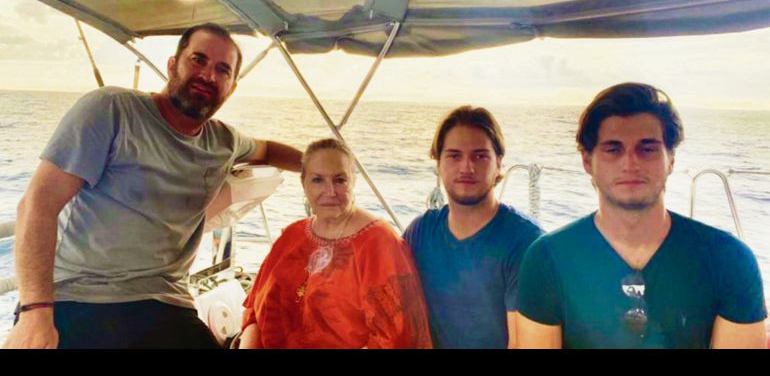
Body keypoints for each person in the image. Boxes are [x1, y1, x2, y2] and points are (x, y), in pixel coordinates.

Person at [3, 23, 303, 349]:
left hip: (165, 302)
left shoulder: (224, 141)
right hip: (78, 296)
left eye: (222, 70)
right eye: (198, 60)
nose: (207, 75)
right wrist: (35, 311)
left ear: (230, 87)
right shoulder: (111, 110)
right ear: (173, 65)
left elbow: (270, 150)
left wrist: (322, 173)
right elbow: (37, 206)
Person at [516, 82, 768, 349]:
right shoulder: (548, 258)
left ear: (671, 159)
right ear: (587, 162)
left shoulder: (729, 259)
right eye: (613, 149)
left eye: (647, 148)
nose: (630, 163)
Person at [240, 138, 431, 349]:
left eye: (339, 180)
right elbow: (253, 312)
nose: (330, 191)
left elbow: (398, 338)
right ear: (303, 183)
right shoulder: (292, 236)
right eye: (317, 180)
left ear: (353, 181)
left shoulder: (379, 243)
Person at [403, 106, 543, 349]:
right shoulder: (420, 232)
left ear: (498, 163)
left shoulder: (525, 243)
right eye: (454, 156)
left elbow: (523, 344)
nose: (466, 167)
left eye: (480, 156)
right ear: (438, 163)